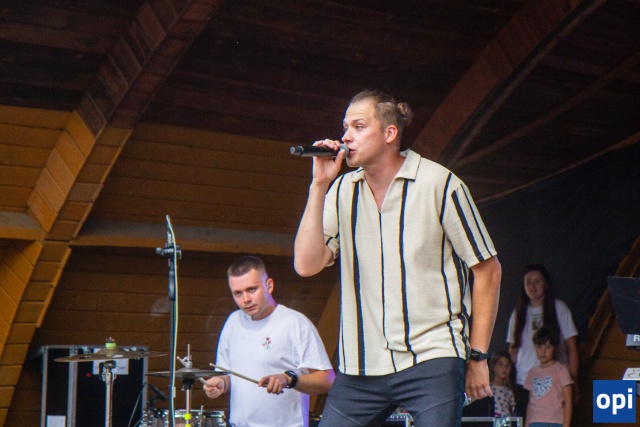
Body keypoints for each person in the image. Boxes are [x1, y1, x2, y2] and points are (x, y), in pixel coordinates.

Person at [294, 89, 502, 427]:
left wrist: (478, 357)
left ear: (390, 133)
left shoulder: (440, 184)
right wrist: (319, 185)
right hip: (361, 365)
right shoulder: (342, 191)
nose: (346, 137)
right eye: (345, 127)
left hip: (432, 357)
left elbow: (488, 270)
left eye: (358, 126)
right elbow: (306, 265)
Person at [203, 255, 335, 427]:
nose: (246, 299)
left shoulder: (295, 323)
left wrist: (289, 379)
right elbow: (227, 375)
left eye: (252, 289)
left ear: (269, 285)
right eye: (238, 293)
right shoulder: (232, 322)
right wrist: (220, 383)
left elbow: (328, 380)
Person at [506, 264, 578, 419]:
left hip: (555, 381)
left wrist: (573, 379)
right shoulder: (518, 313)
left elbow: (571, 347)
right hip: (525, 381)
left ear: (546, 284)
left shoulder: (559, 308)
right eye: (528, 282)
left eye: (537, 281)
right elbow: (513, 349)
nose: (532, 286)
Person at [524, 327, 573, 427]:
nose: (543, 351)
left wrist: (566, 425)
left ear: (554, 348)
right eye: (539, 347)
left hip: (554, 421)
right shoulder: (532, 372)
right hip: (535, 421)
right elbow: (530, 402)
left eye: (548, 347)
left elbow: (568, 401)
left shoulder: (561, 370)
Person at [489, 350, 516, 417]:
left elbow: (512, 410)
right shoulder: (488, 388)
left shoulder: (509, 391)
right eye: (500, 364)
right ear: (493, 366)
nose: (504, 368)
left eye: (507, 365)